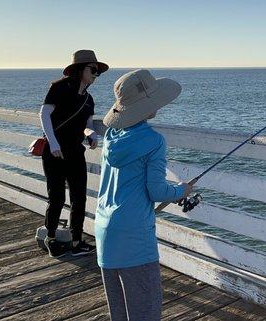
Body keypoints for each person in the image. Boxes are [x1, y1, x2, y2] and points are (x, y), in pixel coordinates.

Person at [96, 69, 192, 321]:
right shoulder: (154, 140)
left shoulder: (111, 135)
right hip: (135, 239)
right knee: (146, 311)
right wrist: (182, 190)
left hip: (105, 233)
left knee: (121, 313)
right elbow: (157, 191)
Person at [39, 49, 108, 258]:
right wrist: (52, 143)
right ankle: (51, 237)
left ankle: (77, 241)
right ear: (80, 69)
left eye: (98, 72)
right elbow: (43, 114)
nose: (96, 75)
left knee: (79, 198)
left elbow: (86, 124)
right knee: (57, 196)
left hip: (76, 152)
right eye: (93, 70)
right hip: (55, 152)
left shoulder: (89, 99)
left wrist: (91, 134)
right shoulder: (59, 88)